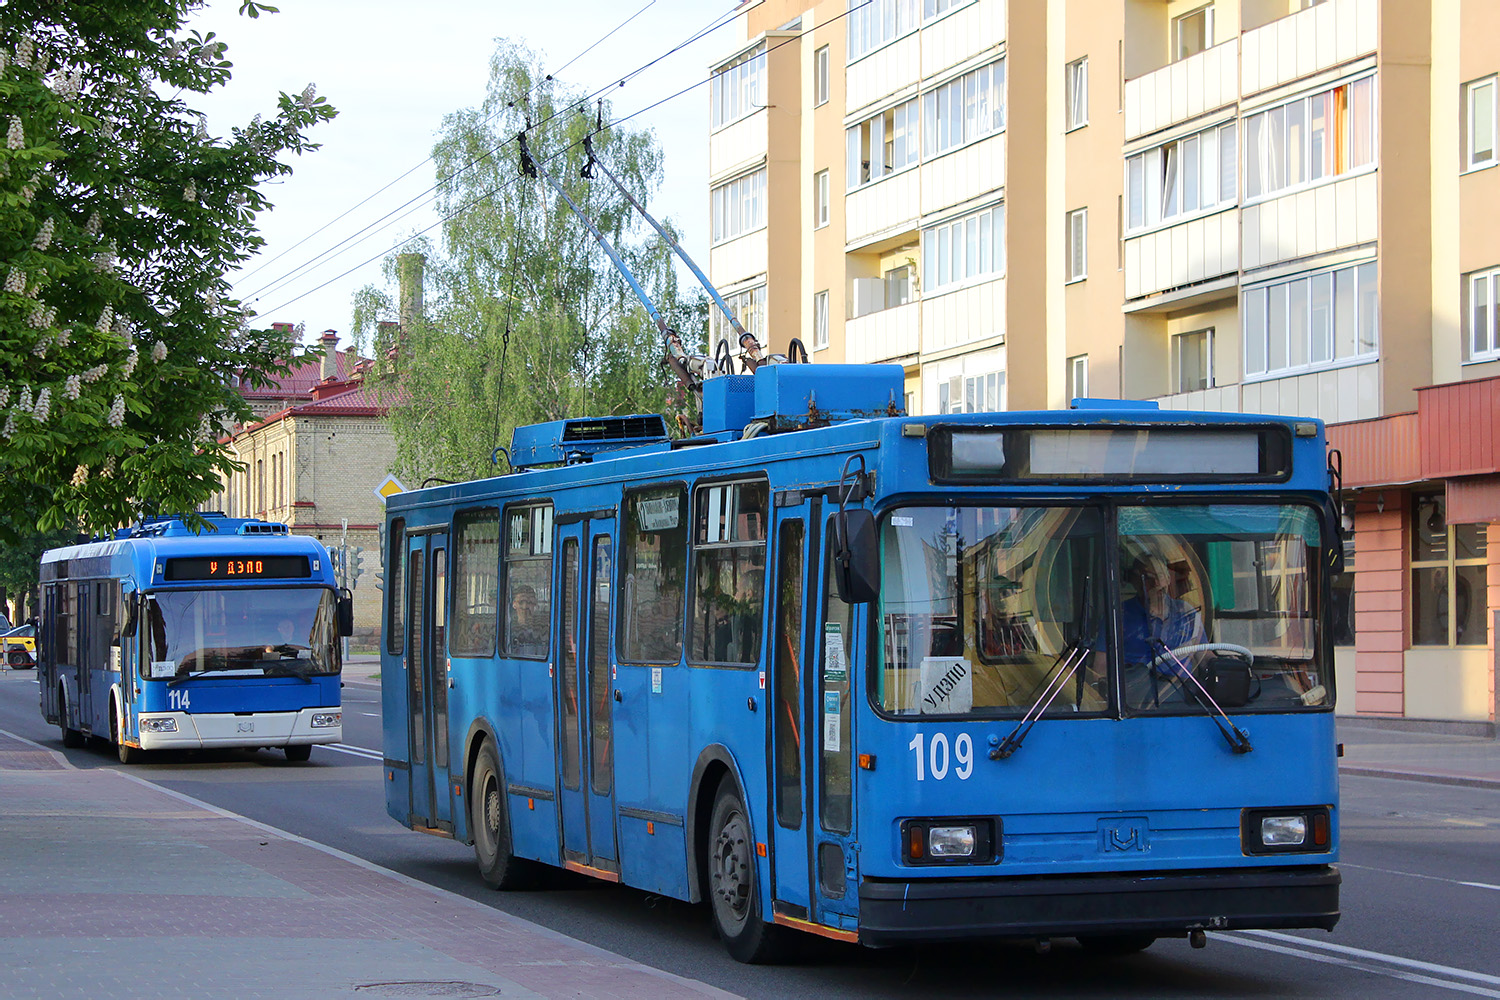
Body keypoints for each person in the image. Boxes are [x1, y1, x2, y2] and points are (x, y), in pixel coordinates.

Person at [1120, 555, 1204, 676]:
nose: (1156, 583)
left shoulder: (1186, 612)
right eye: (1148, 578)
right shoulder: (1120, 615)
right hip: (1137, 690)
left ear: (1168, 579)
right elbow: (1101, 667)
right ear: (1136, 582)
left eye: (1160, 576)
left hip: (1181, 688)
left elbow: (1204, 655)